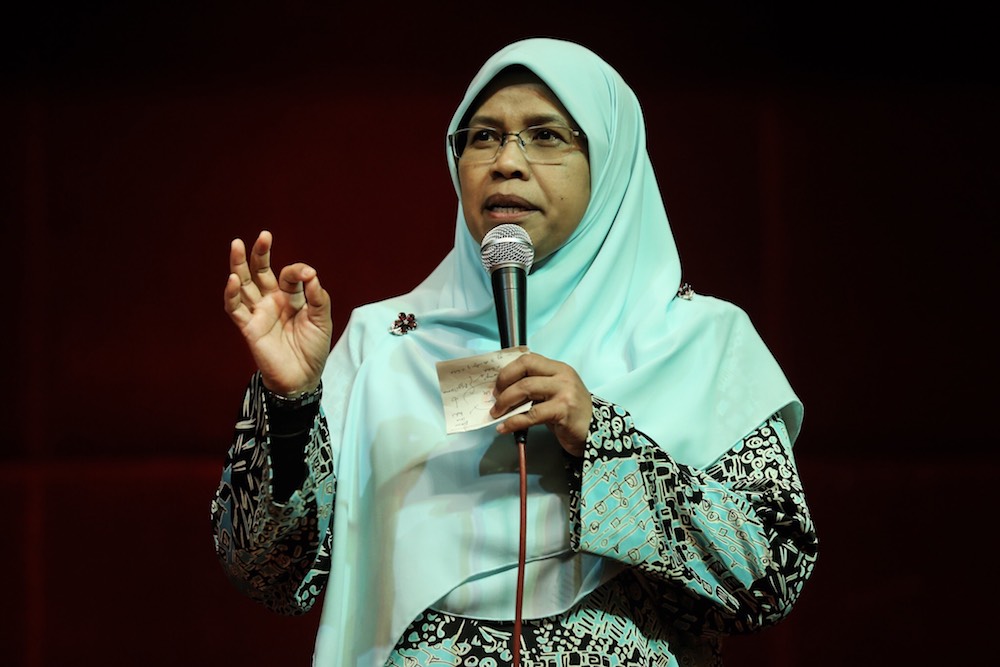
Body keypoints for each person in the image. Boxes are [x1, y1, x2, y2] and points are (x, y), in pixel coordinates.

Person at [211, 37, 818, 666]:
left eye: (546, 135)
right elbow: (268, 573)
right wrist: (288, 404)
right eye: (482, 137)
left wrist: (601, 439)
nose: (506, 162)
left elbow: (770, 576)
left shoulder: (699, 343)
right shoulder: (382, 343)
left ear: (610, 162)